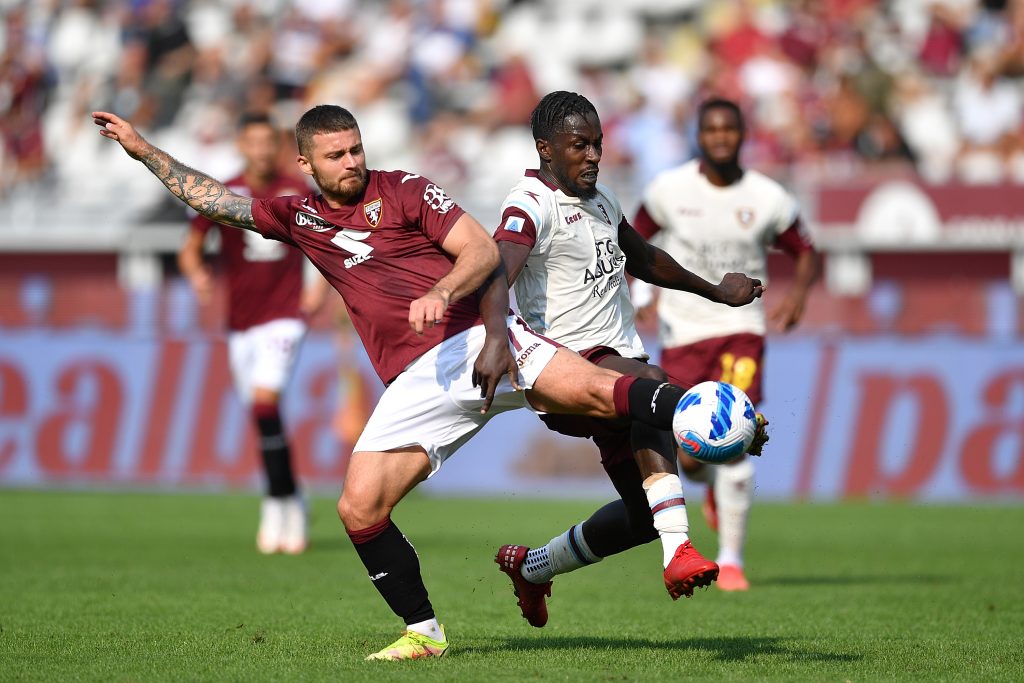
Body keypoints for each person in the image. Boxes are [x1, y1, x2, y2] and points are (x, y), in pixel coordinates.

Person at [93, 104, 758, 661]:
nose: (351, 162)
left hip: (477, 339)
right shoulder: (299, 219)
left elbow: (480, 249)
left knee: (603, 386)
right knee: (358, 507)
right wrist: (142, 149)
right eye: (335, 155)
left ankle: (720, 411)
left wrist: (445, 292)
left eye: (356, 149)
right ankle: (425, 631)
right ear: (307, 166)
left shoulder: (406, 189)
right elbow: (215, 200)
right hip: (420, 380)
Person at [482, 91, 767, 628]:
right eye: (578, 145)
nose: (592, 155)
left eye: (597, 144)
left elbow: (645, 258)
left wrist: (715, 291)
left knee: (642, 517)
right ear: (546, 149)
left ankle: (534, 567)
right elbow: (497, 272)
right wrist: (496, 338)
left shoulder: (603, 200)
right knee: (652, 384)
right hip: (568, 373)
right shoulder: (530, 204)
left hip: (619, 367)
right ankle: (679, 552)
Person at [632, 97, 820, 591]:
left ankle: (732, 560)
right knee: (693, 457)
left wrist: (799, 294)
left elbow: (805, 249)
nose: (720, 137)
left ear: (742, 135)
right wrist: (641, 291)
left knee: (738, 436)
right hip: (683, 331)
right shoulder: (669, 189)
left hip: (741, 331)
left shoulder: (767, 197)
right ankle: (713, 486)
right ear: (699, 134)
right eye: (711, 129)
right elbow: (632, 239)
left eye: (729, 129)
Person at [177, 112, 325, 555]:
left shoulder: (297, 190)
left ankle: (281, 506)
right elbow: (190, 250)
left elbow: (322, 245)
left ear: (277, 146)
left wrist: (316, 288)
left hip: (285, 315)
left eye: (268, 142)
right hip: (240, 323)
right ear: (241, 145)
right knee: (264, 418)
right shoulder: (224, 192)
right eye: (252, 142)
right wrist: (196, 274)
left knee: (265, 402)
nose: (260, 150)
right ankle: (289, 493)